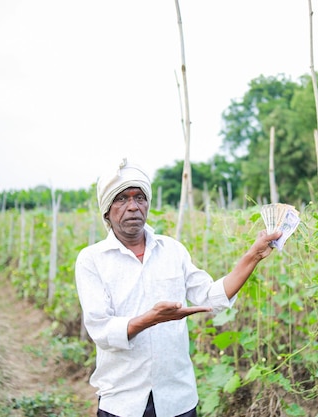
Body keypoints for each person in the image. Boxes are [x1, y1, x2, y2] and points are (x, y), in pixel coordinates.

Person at [75, 159, 282, 417]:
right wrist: (149, 320)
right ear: (106, 210)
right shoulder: (92, 259)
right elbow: (101, 329)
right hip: (122, 400)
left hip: (177, 399)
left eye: (139, 198)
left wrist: (253, 256)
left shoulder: (172, 250)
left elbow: (212, 297)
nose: (132, 207)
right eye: (121, 199)